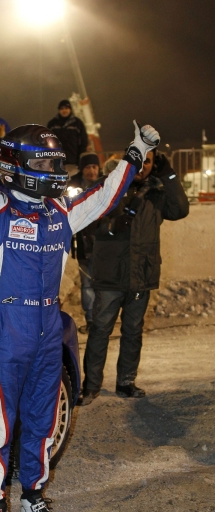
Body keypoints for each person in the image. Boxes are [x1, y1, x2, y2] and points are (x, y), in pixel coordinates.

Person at [0, 82, 159, 512]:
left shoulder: (60, 210)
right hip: (7, 334)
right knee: (0, 425)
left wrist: (134, 154)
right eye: (46, 164)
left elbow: (101, 198)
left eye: (57, 164)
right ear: (17, 165)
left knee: (40, 420)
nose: (55, 171)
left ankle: (34, 498)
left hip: (48, 330)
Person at [82, 150, 189, 406]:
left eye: (149, 162)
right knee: (100, 330)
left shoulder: (157, 192)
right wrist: (109, 227)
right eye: (139, 160)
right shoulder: (108, 185)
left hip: (140, 277)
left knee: (133, 330)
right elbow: (84, 220)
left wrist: (169, 174)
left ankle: (126, 383)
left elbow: (180, 209)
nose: (142, 167)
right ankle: (91, 386)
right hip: (110, 276)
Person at [70, 153, 101, 333]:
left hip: (104, 245)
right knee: (87, 284)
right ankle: (91, 320)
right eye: (88, 167)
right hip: (83, 244)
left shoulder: (104, 185)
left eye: (94, 167)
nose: (91, 171)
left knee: (104, 284)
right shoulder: (73, 188)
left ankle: (103, 319)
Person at [47, 100, 88, 176]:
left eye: (66, 108)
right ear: (59, 110)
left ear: (70, 109)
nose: (64, 110)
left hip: (73, 162)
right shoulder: (52, 124)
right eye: (62, 108)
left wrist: (80, 158)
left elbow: (83, 142)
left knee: (73, 185)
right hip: (56, 161)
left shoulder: (78, 123)